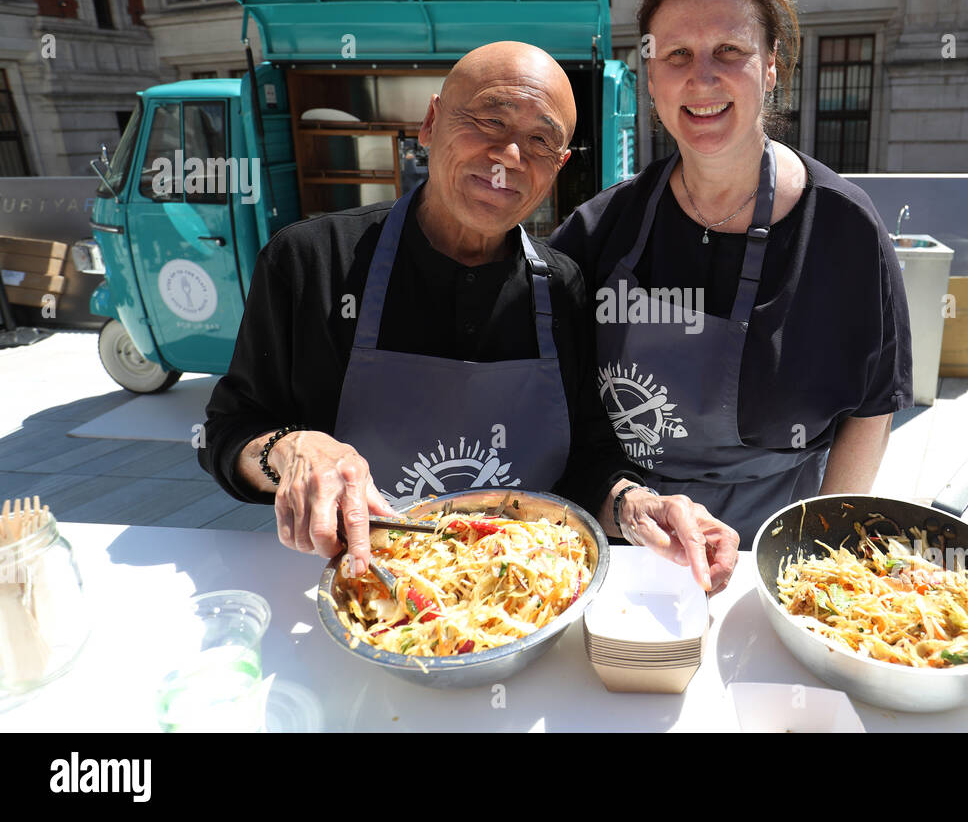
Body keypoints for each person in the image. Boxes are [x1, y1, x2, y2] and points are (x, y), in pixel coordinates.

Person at [199, 42, 739, 593]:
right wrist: (295, 449)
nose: (508, 155)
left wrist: (636, 505)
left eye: (540, 141)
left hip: (521, 598)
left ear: (558, 167)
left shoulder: (564, 288)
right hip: (352, 591)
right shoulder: (311, 261)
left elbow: (586, 463)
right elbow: (227, 431)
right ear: (430, 123)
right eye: (489, 120)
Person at [550, 0, 913, 547]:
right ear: (650, 75)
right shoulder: (600, 230)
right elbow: (550, 397)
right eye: (678, 55)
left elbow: (872, 408)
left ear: (771, 67)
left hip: (779, 544)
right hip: (631, 544)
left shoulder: (845, 230)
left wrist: (818, 550)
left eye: (730, 51)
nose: (702, 78)